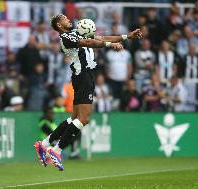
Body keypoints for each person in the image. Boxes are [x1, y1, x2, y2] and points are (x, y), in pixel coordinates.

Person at [34, 14, 142, 171]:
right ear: (59, 25)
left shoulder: (76, 32)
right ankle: (56, 150)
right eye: (64, 18)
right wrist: (110, 46)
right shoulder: (65, 37)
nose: (68, 19)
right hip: (83, 76)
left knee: (74, 118)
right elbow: (89, 42)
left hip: (82, 77)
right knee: (84, 119)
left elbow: (101, 37)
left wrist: (126, 36)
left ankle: (43, 144)